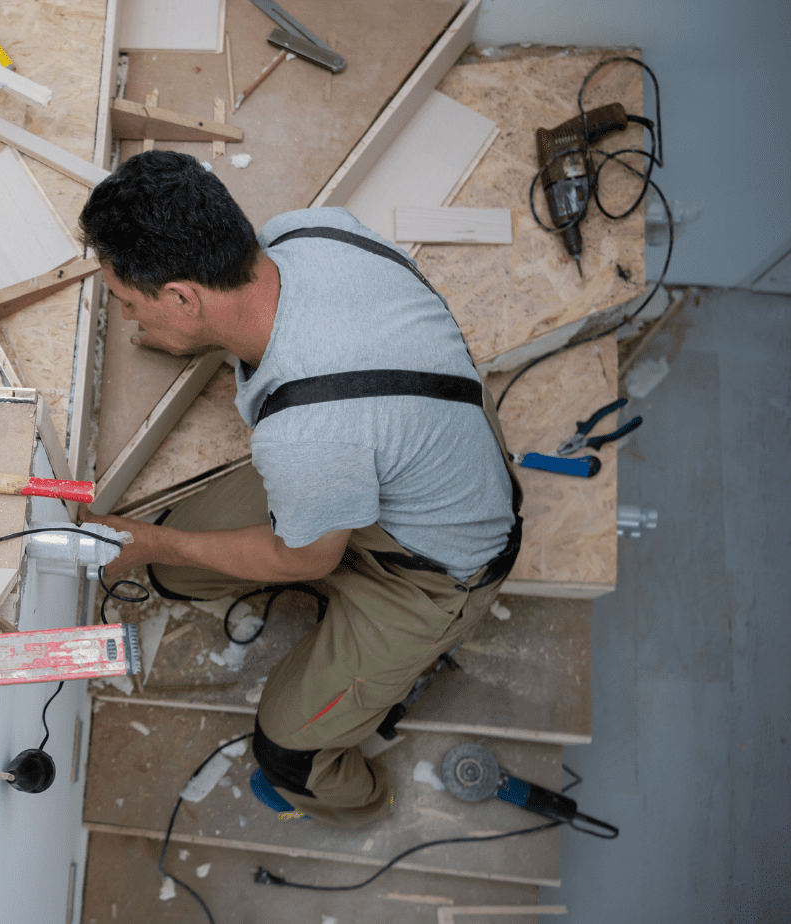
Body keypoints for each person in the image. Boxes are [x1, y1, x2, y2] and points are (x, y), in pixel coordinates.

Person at [80, 151, 521, 828]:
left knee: (286, 753)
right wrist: (158, 547)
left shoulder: (306, 433)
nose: (131, 317)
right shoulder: (311, 233)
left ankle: (361, 801)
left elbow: (308, 560)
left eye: (132, 302)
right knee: (171, 568)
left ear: (182, 297)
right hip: (407, 448)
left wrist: (148, 540)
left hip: (437, 571)